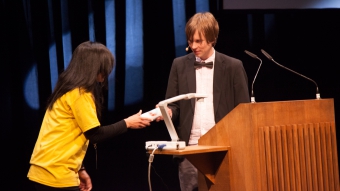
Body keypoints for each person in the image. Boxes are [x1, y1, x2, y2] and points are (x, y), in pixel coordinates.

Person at [27, 41, 152, 191]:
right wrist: (127, 123)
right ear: (93, 67)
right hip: (56, 174)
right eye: (104, 67)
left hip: (44, 170)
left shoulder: (67, 89)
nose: (106, 72)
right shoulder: (80, 94)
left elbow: (65, 135)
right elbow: (95, 134)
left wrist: (80, 169)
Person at [158, 12, 250, 191]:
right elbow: (173, 105)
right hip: (190, 151)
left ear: (212, 39)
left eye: (198, 41)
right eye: (190, 41)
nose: (193, 46)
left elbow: (243, 111)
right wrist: (168, 112)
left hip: (224, 149)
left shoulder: (233, 66)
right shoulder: (179, 65)